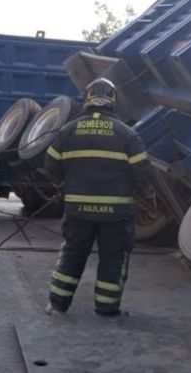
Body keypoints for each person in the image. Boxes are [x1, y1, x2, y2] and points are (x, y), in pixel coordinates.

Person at [43, 78, 151, 317]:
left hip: (77, 210)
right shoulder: (127, 134)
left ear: (88, 99)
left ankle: (58, 305)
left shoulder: (67, 131)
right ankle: (107, 307)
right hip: (116, 213)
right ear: (113, 101)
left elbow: (50, 163)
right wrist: (129, 188)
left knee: (72, 254)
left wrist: (63, 184)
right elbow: (142, 170)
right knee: (113, 258)